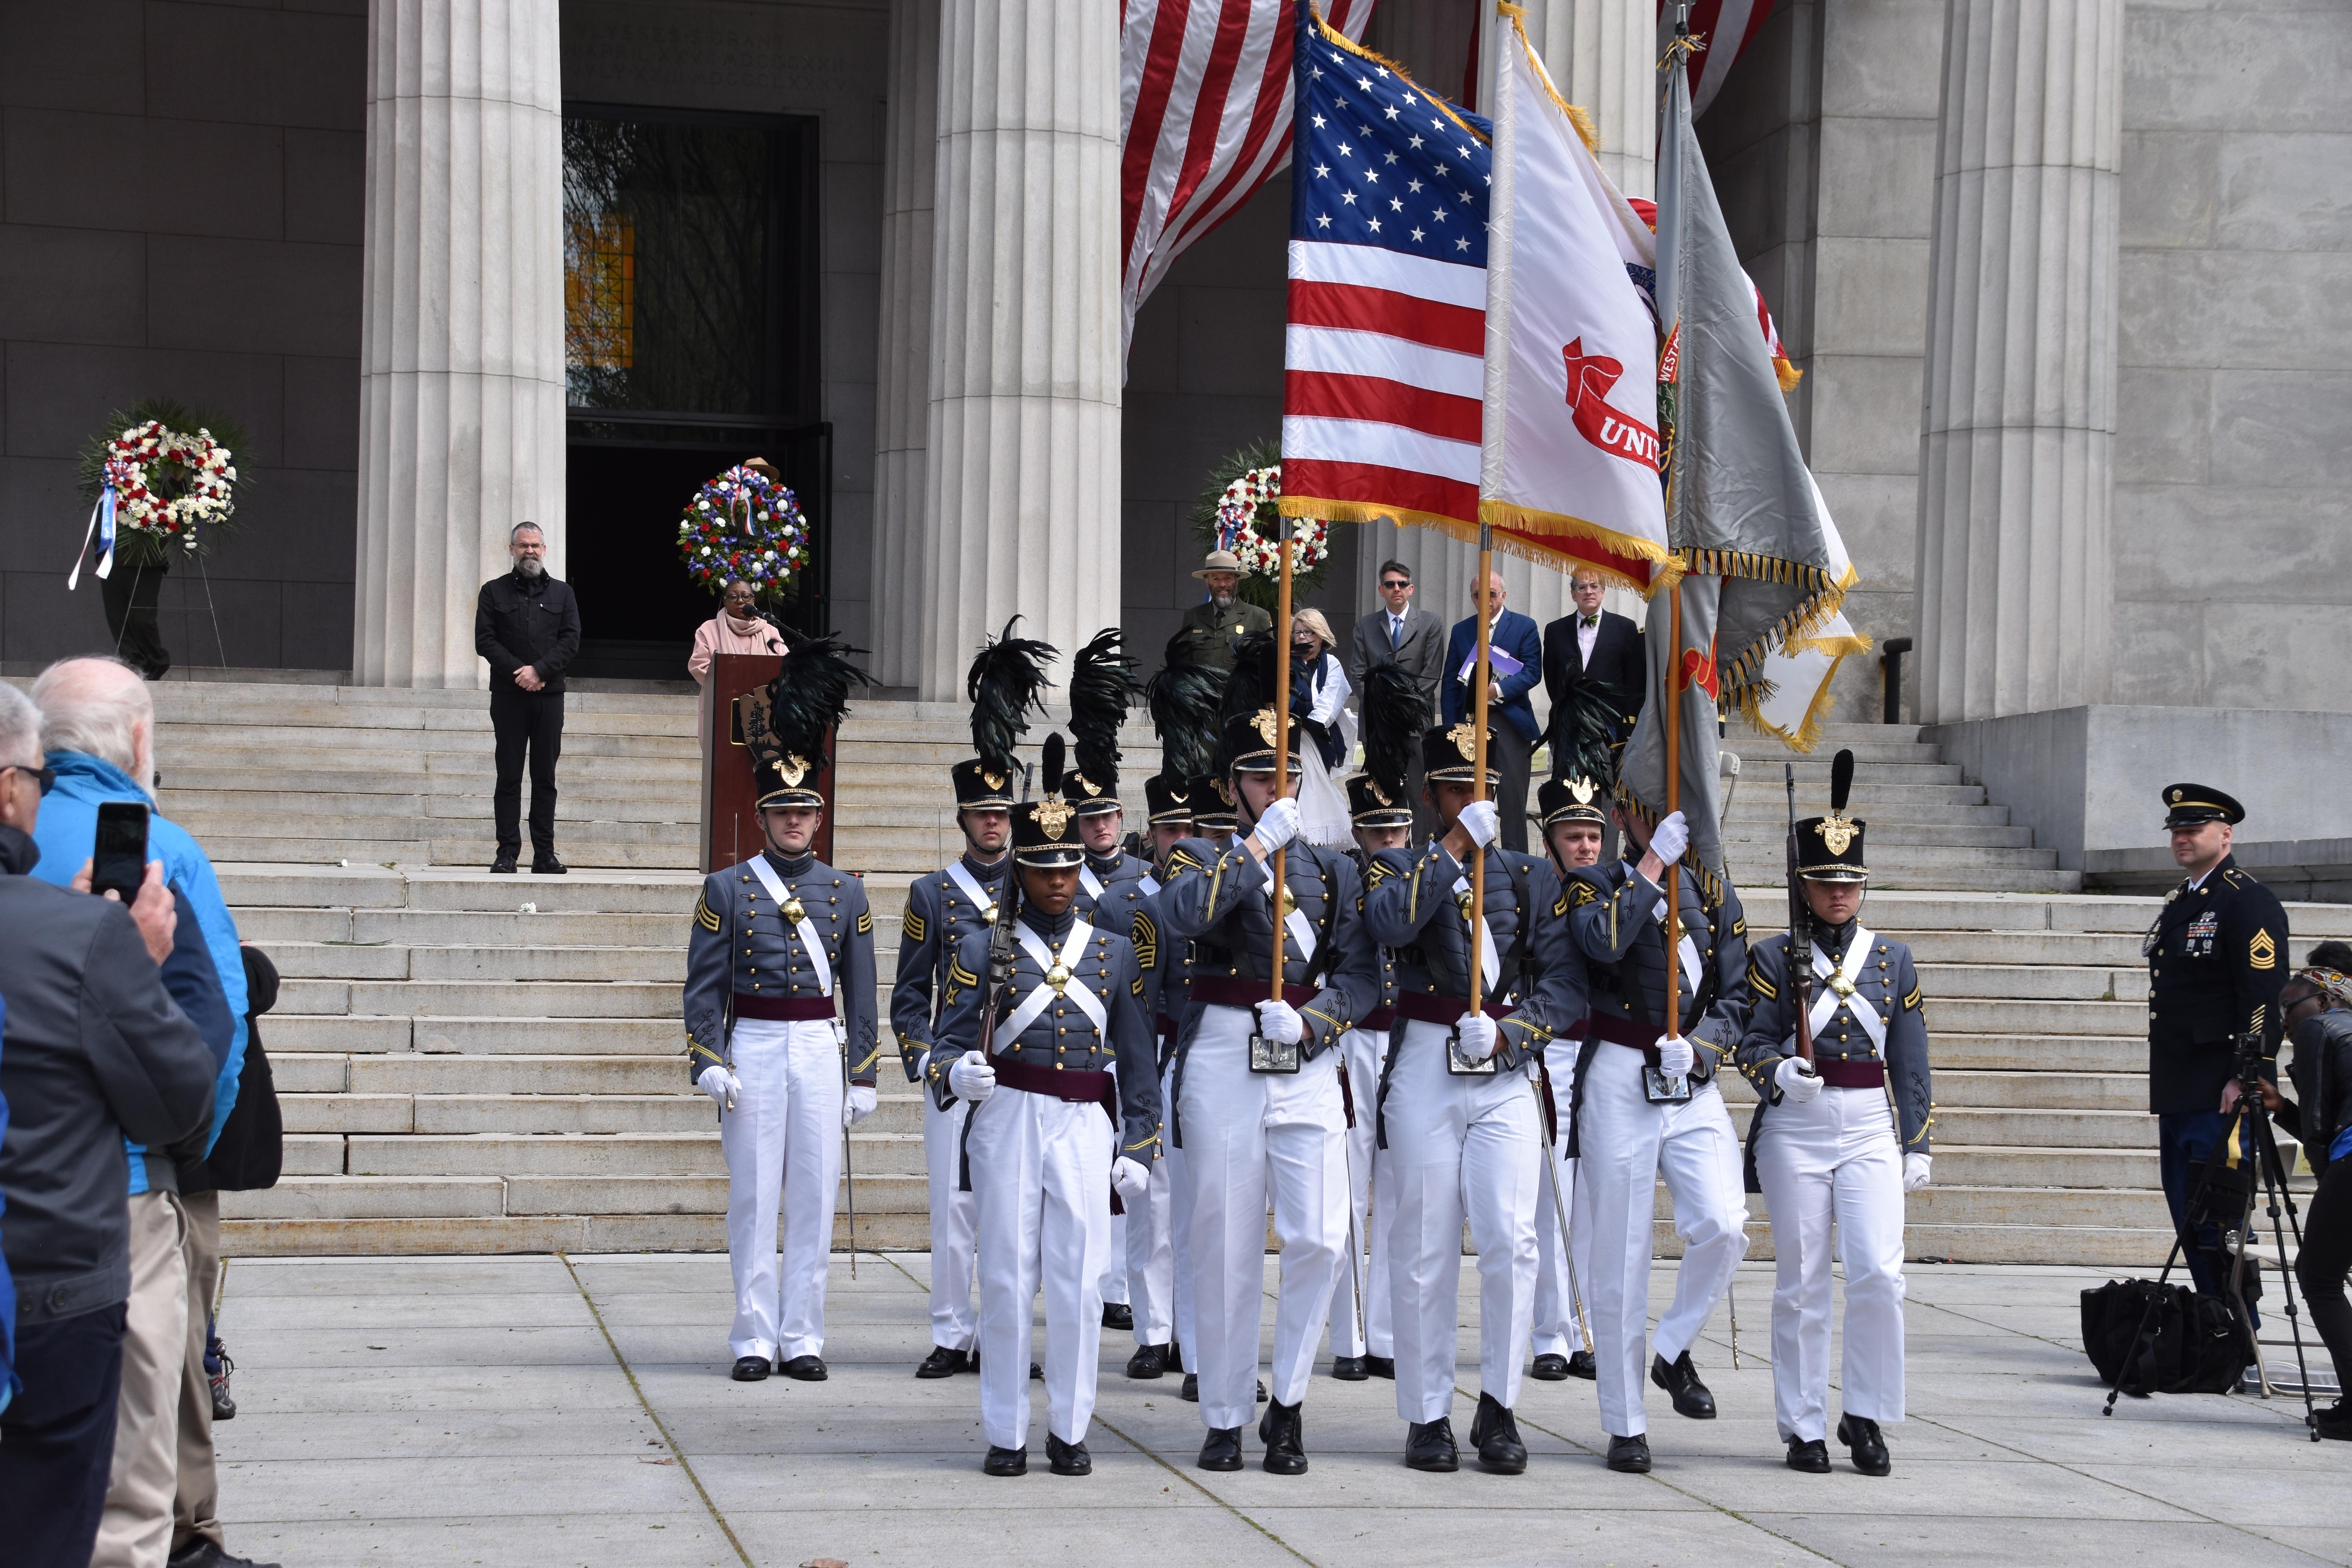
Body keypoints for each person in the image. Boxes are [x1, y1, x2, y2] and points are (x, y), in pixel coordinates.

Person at [30, 657, 252, 1568]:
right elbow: (216, 1024)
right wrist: (183, 1143)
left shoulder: (24, 840)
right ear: (139, 742)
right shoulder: (161, 845)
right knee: (128, 1468)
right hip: (117, 1185)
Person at [1157, 705, 1381, 1474]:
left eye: (1283, 773)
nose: (1272, 785)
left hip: (1305, 1057)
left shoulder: (1335, 868)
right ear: (1233, 785)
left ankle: (1287, 1401)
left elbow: (1361, 976)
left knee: (1321, 1231)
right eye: (1257, 775)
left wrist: (1317, 1021)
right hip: (1224, 1045)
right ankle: (1225, 1411)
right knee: (1223, 1241)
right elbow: (1184, 915)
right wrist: (1254, 847)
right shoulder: (1198, 854)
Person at [1362, 721, 1584, 1475]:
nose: (1470, 800)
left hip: (1503, 1070)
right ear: (1430, 796)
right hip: (1426, 1059)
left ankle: (1499, 1404)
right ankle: (1427, 1412)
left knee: (1511, 1242)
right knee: (1423, 1243)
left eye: (1482, 789)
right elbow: (1391, 924)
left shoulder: (1529, 875)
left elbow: (1563, 983)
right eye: (1455, 789)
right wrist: (1454, 851)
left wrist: (1518, 1035)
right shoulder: (1401, 866)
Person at [924, 786, 1160, 1478]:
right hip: (1008, 1119)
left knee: (1081, 1280)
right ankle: (1006, 1430)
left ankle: (1069, 1426)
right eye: (1044, 870)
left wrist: (1139, 1144)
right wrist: (954, 1073)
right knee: (1004, 1276)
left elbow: (1140, 1059)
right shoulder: (980, 945)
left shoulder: (1114, 953)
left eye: (1067, 869)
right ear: (1020, 872)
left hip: (1084, 1122)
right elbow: (943, 1042)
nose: (1058, 883)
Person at [682, 637, 879, 1383]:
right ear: (763, 816)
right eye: (783, 811)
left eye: (806, 812)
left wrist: (863, 1074)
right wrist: (708, 1059)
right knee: (755, 1198)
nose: (795, 822)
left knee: (815, 1195)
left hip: (819, 1049)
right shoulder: (727, 890)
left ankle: (804, 1337)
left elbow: (862, 993)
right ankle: (753, 1338)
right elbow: (703, 986)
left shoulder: (847, 894)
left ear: (819, 819)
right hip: (757, 1043)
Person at [1735, 770, 1933, 1477]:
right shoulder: (1773, 955)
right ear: (1804, 886)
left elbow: (1910, 1057)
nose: (1839, 894)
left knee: (1879, 1272)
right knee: (1803, 1280)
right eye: (1825, 883)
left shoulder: (1892, 957)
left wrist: (1917, 1140)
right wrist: (1779, 1071)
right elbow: (1749, 1042)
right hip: (1798, 1127)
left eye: (1850, 882)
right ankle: (1803, 1422)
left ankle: (1867, 1413)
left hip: (1869, 1124)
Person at [1562, 800, 1751, 1474]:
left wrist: (1703, 1048)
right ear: (1624, 814)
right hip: (1619, 1067)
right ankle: (1625, 1421)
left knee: (1726, 1225)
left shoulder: (1716, 892)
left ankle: (1671, 1350)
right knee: (1620, 1251)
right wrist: (1647, 868)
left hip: (1688, 1077)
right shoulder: (1596, 881)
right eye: (1645, 810)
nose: (1668, 820)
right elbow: (1599, 944)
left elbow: (1740, 995)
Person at [890, 628, 1040, 1379]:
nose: (993, 823)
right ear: (961, 820)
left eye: (1002, 814)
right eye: (982, 814)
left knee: (1016, 1212)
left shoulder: (1037, 887)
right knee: (953, 1209)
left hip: (1024, 1065)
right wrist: (926, 1062)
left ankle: (1008, 1333)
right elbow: (910, 993)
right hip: (957, 1066)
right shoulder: (933, 893)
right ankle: (953, 1332)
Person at [2142, 784, 2288, 1298]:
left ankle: (2236, 1329)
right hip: (2181, 1084)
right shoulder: (2185, 900)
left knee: (2219, 1218)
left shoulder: (2247, 900)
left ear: (2225, 835)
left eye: (2194, 829)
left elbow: (2263, 993)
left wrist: (2249, 1075)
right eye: (2176, 830)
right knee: (2187, 1212)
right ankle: (2212, 1323)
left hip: (2219, 1088)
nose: (2182, 838)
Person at [1325, 663, 1420, 1385]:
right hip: (1354, 1039)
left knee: (1400, 1192)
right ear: (1355, 829)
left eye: (1396, 827)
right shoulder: (1338, 879)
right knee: (1349, 1187)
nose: (1386, 838)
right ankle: (1349, 1333)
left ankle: (1385, 1330)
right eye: (1375, 827)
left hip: (1412, 1040)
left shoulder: (1429, 878)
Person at [1528, 776, 1606, 1383]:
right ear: (1548, 840)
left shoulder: (1617, 892)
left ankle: (1587, 1326)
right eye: (1573, 836)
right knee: (1549, 1198)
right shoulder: (1531, 891)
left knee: (1594, 1201)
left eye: (1593, 837)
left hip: (1604, 1056)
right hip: (1551, 1051)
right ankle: (1551, 1333)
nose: (1585, 848)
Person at [2260, 956, 2352, 1440]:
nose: (2286, 1022)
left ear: (2322, 999)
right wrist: (2279, 1108)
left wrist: (2330, 1176)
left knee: (2318, 1279)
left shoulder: (2322, 1028)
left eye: (2288, 1008)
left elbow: (2318, 1126)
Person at [1124, 772, 1193, 1381]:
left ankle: (1198, 1343)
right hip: (1159, 1052)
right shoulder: (1134, 905)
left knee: (1203, 1209)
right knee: (1152, 1202)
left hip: (1213, 1057)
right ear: (1150, 836)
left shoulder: (1226, 891)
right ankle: (1153, 1331)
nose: (1178, 842)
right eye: (1169, 830)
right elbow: (1132, 1001)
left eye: (1188, 830)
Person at [474, 521, 582, 874]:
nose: (530, 551)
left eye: (535, 545)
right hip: (508, 696)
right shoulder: (493, 592)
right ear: (512, 550)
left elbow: (571, 640)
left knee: (544, 776)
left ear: (545, 549)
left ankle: (544, 855)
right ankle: (507, 853)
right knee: (508, 775)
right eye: (523, 546)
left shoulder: (563, 594)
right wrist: (520, 673)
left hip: (549, 696)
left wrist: (540, 672)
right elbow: (486, 641)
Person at [1345, 560, 1445, 845]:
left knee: (1420, 793)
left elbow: (1431, 674)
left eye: (1402, 584)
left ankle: (1425, 855)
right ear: (1381, 590)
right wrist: (1384, 709)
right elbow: (1358, 673)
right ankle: (1386, 854)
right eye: (1390, 584)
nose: (1397, 589)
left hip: (1416, 727)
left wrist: (1402, 709)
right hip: (1379, 729)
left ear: (1411, 589)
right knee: (1384, 793)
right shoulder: (1365, 625)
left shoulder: (1431, 623)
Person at [1440, 573, 1541, 852]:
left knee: (1512, 802)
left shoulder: (1524, 627)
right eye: (1478, 596)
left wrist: (1496, 691)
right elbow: (1450, 683)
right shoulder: (1461, 631)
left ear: (1504, 596)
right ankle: (1470, 862)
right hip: (1469, 726)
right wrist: (1452, 729)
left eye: (1492, 594)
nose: (1486, 601)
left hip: (1509, 723)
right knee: (1469, 800)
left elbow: (1533, 672)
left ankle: (1517, 866)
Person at [1540, 570, 1644, 776]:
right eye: (1582, 587)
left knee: (1608, 788)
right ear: (1574, 594)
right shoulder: (1555, 630)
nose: (1589, 592)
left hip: (1609, 724)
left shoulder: (1625, 628)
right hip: (1569, 725)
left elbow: (1633, 680)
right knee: (1568, 786)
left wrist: (1628, 724)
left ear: (1604, 592)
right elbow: (1552, 678)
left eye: (1595, 586)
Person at [690, 578, 788, 754]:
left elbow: (784, 664)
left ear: (753, 601)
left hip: (763, 710)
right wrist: (731, 680)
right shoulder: (708, 630)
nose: (740, 601)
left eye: (745, 596)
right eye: (734, 597)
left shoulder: (770, 631)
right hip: (723, 708)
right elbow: (698, 666)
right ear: (725, 602)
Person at [1289, 609, 1354, 848]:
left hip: (1316, 738)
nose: (1303, 638)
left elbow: (1329, 704)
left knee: (1315, 793)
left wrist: (1303, 726)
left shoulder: (1332, 665)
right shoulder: (1284, 661)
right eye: (1298, 633)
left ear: (1321, 635)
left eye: (1309, 632)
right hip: (1284, 736)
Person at [1174, 550, 1272, 673]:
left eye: (1228, 578)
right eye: (1216, 579)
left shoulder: (1258, 617)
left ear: (1237, 581)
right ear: (1207, 582)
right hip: (1200, 691)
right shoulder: (1193, 616)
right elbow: (1181, 664)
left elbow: (1268, 668)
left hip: (1237, 692)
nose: (1222, 584)